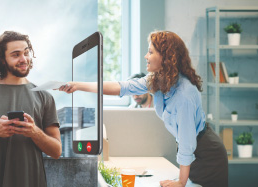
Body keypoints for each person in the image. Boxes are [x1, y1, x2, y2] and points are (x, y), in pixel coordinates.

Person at [59, 31, 228, 187]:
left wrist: (181, 181)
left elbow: (187, 141)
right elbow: (122, 87)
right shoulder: (158, 79)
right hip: (193, 151)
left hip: (207, 154)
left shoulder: (184, 94)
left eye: (151, 52)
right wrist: (78, 85)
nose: (146, 56)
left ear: (166, 56)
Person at [0, 31, 62, 187]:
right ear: (2, 60)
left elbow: (56, 151)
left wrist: (34, 132)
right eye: (16, 55)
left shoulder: (44, 97)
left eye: (26, 53)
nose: (24, 59)